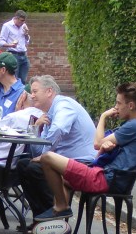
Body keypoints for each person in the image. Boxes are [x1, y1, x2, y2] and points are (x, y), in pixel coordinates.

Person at [33, 82, 136, 221]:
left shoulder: (134, 126)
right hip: (106, 176)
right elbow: (100, 148)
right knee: (64, 178)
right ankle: (58, 222)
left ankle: (61, 208)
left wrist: (103, 117)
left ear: (130, 105)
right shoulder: (135, 125)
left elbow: (96, 143)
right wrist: (104, 148)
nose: (116, 107)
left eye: (119, 103)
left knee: (47, 157)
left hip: (105, 179)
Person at [16, 74, 97, 221]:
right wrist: (35, 127)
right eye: (31, 92)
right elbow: (39, 151)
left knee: (35, 169)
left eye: (35, 91)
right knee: (22, 164)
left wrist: (44, 156)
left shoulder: (64, 105)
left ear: (49, 92)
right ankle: (39, 219)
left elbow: (59, 129)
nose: (32, 96)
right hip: (63, 161)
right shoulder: (47, 114)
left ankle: (55, 217)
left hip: (82, 163)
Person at [0, 10, 31, 83]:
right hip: (13, 54)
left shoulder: (24, 25)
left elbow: (27, 41)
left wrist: (26, 34)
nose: (23, 22)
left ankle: (22, 94)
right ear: (16, 18)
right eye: (21, 21)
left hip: (23, 54)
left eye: (24, 21)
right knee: (14, 79)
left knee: (23, 80)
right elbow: (1, 42)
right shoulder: (7, 26)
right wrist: (10, 45)